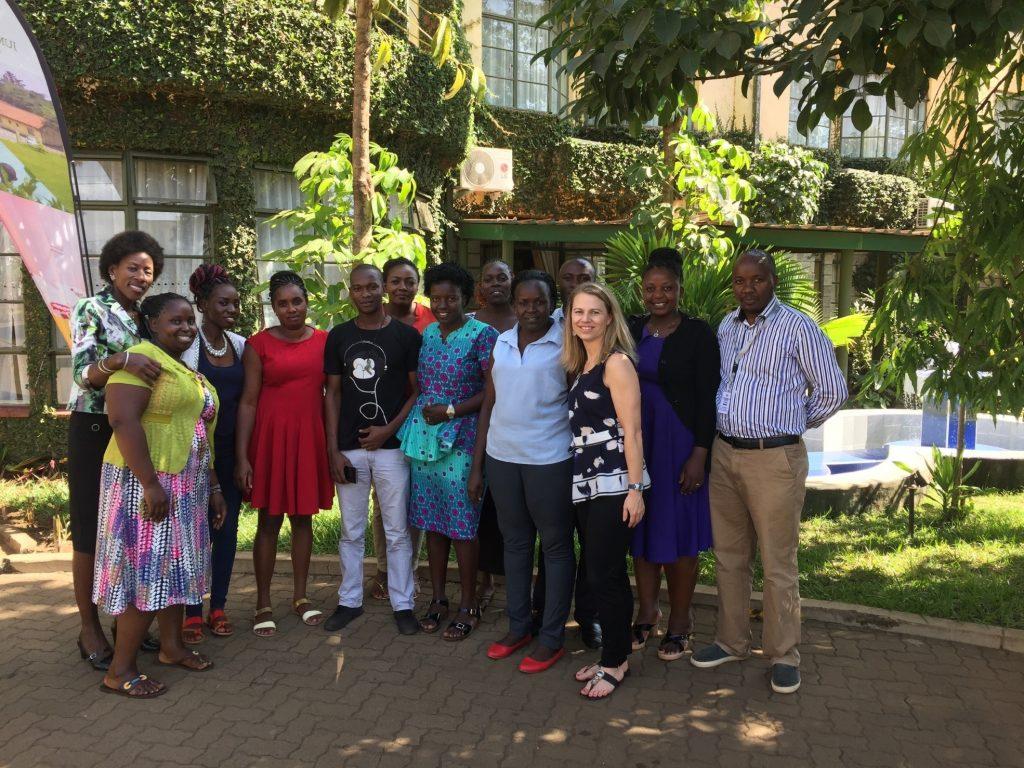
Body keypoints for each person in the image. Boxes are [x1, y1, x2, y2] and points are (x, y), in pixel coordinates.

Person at [690, 249, 847, 695]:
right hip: (725, 455)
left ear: (772, 280)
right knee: (729, 555)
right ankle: (731, 641)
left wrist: (792, 424)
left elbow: (833, 391)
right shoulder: (726, 326)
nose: (747, 288)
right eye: (740, 281)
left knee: (779, 562)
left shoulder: (798, 327)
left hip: (774, 459)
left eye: (756, 280)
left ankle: (783, 654)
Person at [94, 292, 226, 697]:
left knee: (175, 569)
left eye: (190, 321)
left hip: (185, 485)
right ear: (152, 323)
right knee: (144, 572)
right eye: (176, 321)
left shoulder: (179, 367)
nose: (186, 327)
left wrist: (215, 486)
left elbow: (199, 431)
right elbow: (122, 419)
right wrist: (151, 483)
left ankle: (171, 648)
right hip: (145, 484)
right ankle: (120, 670)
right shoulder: (140, 359)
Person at [67, 230, 165, 671]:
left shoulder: (145, 318)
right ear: (112, 269)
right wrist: (120, 362)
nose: (142, 277)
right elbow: (82, 374)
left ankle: (125, 623)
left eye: (148, 271)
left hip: (134, 431)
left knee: (126, 528)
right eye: (133, 268)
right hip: (94, 426)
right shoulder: (92, 308)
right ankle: (88, 625)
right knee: (90, 527)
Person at [469, 270, 574, 674]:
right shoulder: (502, 341)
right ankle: (519, 628)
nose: (531, 309)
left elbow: (576, 403)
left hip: (549, 460)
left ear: (551, 304)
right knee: (514, 544)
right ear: (514, 305)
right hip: (502, 459)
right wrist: (478, 465)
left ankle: (551, 637)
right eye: (524, 302)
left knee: (555, 547)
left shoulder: (565, 344)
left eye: (539, 302)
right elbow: (489, 404)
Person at [626, 248, 720, 662]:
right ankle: (646, 611)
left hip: (680, 445)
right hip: (636, 445)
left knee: (680, 536)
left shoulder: (699, 334)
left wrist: (700, 453)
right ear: (641, 291)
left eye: (667, 288)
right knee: (641, 531)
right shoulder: (629, 328)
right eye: (650, 288)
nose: (658, 296)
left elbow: (707, 399)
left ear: (680, 290)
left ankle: (681, 622)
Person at [397, 262, 498, 641]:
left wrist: (453, 411)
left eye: (450, 298)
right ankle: (438, 599)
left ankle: (469, 605)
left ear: (465, 298)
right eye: (435, 298)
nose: (442, 304)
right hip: (425, 442)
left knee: (463, 528)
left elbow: (491, 391)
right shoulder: (427, 336)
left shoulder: (482, 335)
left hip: (463, 439)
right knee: (432, 523)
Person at [322, 264, 421, 636]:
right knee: (351, 531)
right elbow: (332, 394)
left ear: (383, 289)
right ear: (350, 292)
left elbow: (415, 391)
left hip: (392, 449)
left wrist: (386, 431)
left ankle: (403, 604)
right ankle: (349, 601)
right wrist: (333, 450)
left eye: (371, 287)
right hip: (348, 450)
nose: (365, 294)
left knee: (397, 531)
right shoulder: (339, 337)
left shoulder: (406, 337)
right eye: (358, 288)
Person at [235, 271, 334, 637]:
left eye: (297, 301)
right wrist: (243, 456)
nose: (291, 309)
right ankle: (263, 602)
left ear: (307, 301)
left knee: (303, 518)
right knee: (268, 520)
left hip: (309, 438)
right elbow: (247, 401)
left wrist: (331, 445)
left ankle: (301, 597)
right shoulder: (257, 344)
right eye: (282, 303)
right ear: (273, 307)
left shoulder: (325, 341)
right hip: (271, 440)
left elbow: (333, 397)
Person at [565, 282, 649, 700]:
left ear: (610, 317)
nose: (585, 319)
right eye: (578, 312)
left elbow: (632, 431)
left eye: (594, 312)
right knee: (597, 573)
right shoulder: (581, 363)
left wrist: (635, 490)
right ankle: (609, 655)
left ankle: (616, 661)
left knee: (607, 575)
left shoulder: (617, 364)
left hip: (615, 484)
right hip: (587, 484)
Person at [535, 255, 601, 649]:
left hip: (595, 452)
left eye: (584, 277)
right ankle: (545, 612)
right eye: (569, 277)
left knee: (593, 541)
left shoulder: (601, 321)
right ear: (557, 284)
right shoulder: (545, 325)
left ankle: (588, 617)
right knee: (554, 538)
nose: (576, 282)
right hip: (554, 450)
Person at [181, 265, 246, 642]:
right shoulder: (187, 347)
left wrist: (241, 460)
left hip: (229, 452)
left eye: (236, 303)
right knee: (195, 530)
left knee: (227, 530)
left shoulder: (239, 345)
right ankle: (191, 610)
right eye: (223, 302)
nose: (231, 309)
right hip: (193, 454)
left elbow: (246, 404)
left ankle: (218, 605)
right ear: (203, 304)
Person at [367, 256, 434, 602]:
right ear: (384, 285)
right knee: (384, 501)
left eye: (409, 281)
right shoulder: (373, 320)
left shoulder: (431, 318)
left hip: (423, 420)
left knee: (415, 498)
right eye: (395, 281)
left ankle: (407, 567)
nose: (402, 287)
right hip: (382, 419)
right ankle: (383, 568)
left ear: (417, 284)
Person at [467, 259, 516, 611]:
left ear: (512, 281)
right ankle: (483, 581)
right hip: (475, 425)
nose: (496, 283)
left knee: (512, 511)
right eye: (489, 279)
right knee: (481, 509)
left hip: (518, 427)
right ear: (480, 287)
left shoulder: (529, 321)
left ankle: (512, 581)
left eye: (502, 277)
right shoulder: (469, 324)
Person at [552, 257, 596, 324]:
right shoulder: (547, 323)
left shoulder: (607, 324)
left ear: (594, 284)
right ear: (558, 282)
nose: (575, 285)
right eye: (568, 278)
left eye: (584, 279)